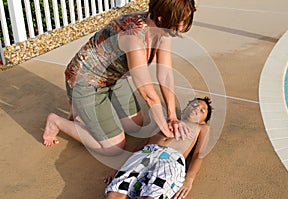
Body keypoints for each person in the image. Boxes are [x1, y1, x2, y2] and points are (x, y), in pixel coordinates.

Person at [42, 0, 197, 154]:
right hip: (86, 82)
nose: (181, 27)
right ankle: (57, 122)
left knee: (134, 125)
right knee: (114, 147)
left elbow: (165, 74)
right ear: (162, 17)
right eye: (179, 21)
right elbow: (148, 94)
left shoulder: (164, 30)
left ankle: (84, 113)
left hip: (113, 79)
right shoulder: (133, 38)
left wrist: (172, 117)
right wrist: (166, 128)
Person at [104, 97, 213, 199]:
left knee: (152, 196)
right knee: (115, 194)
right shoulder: (165, 122)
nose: (197, 108)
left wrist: (189, 178)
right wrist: (118, 166)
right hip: (145, 153)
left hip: (171, 159)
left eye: (202, 110)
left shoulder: (202, 127)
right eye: (194, 105)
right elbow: (142, 144)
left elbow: (199, 155)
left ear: (203, 120)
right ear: (185, 109)